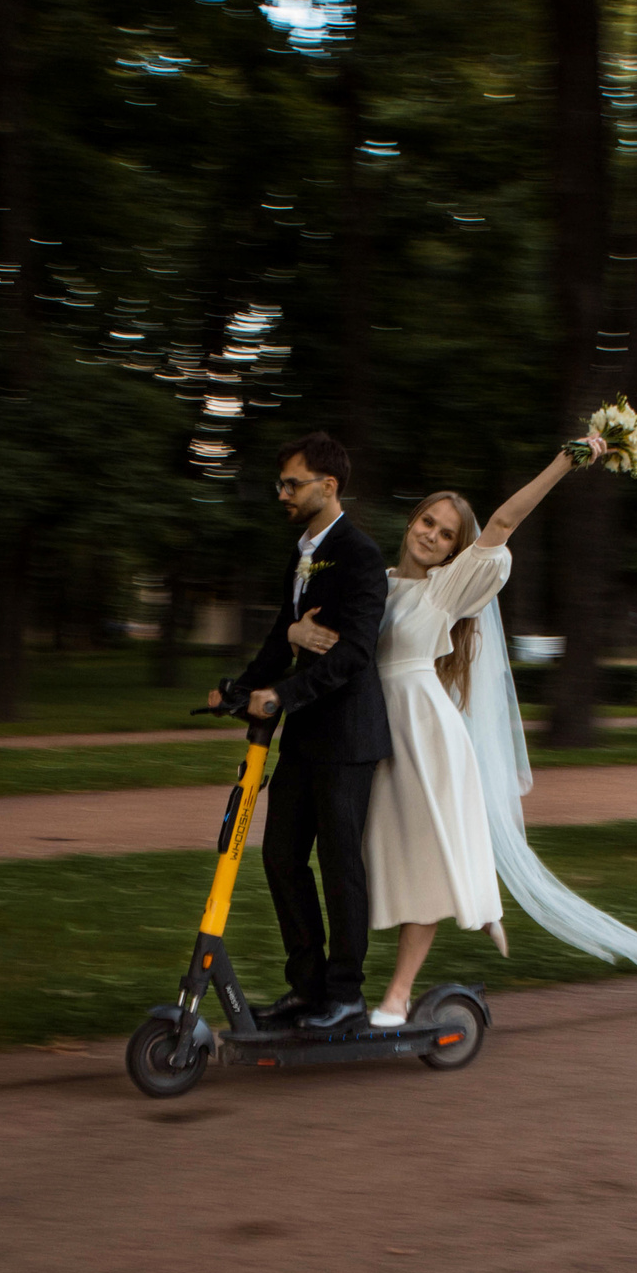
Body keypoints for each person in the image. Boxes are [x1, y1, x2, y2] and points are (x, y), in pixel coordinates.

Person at [288, 434, 637, 1028]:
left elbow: (506, 521)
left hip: (424, 735)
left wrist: (570, 458)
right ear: (412, 520)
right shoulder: (373, 578)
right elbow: (323, 636)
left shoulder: (448, 588)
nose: (432, 535)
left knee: (425, 857)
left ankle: (398, 994)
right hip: (369, 734)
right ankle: (475, 893)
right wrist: (291, 636)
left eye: (447, 533)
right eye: (428, 521)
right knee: (373, 855)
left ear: (455, 548)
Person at [213, 432, 392, 1032]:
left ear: (328, 486)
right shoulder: (300, 554)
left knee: (341, 865)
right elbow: (283, 636)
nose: (283, 493)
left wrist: (282, 695)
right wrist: (238, 690)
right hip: (305, 736)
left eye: (293, 483)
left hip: (348, 739)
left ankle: (345, 995)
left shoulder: (361, 555)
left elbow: (355, 654)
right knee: (281, 857)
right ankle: (307, 988)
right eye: (281, 484)